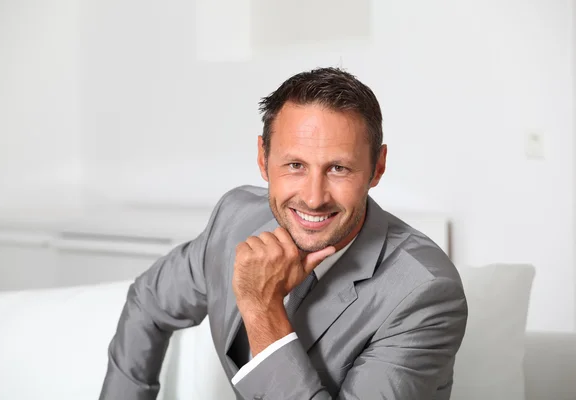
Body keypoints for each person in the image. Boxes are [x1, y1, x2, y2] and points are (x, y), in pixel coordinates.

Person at [99, 67, 468, 400]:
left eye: (338, 168)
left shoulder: (424, 293)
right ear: (263, 159)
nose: (313, 197)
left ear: (377, 167)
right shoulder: (235, 220)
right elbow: (148, 303)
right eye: (295, 165)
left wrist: (262, 308)